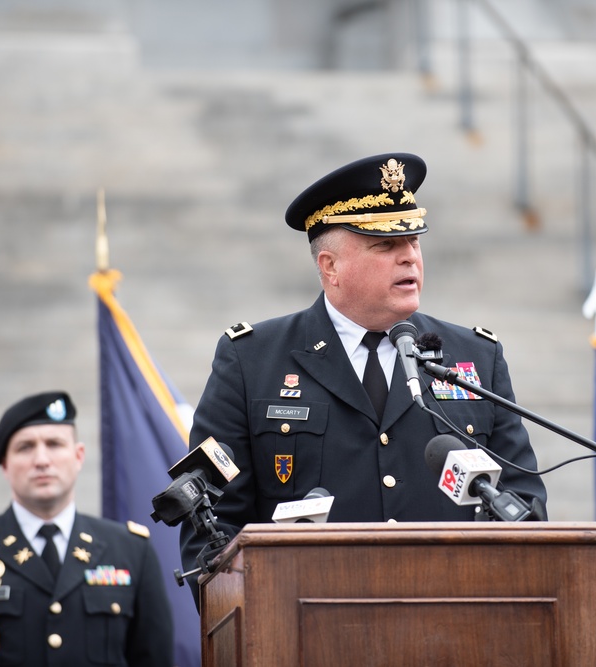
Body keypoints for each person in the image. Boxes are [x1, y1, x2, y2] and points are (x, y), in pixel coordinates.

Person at [180, 152, 547, 606]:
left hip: (454, 625)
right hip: (307, 631)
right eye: (385, 246)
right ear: (330, 266)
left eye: (413, 241)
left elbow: (524, 505)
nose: (409, 257)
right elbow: (211, 531)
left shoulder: (476, 356)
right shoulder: (252, 360)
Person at [0, 391, 174, 667]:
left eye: (54, 444)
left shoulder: (131, 551)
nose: (41, 460)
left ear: (78, 456)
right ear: (4, 464)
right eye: (25, 447)